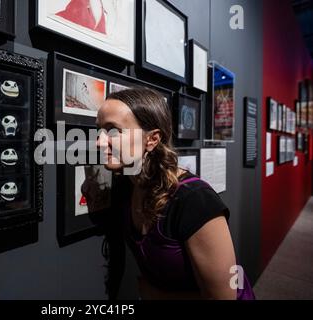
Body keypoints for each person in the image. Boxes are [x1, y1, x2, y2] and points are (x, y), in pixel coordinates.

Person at [94, 88, 255, 300]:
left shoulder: (195, 200)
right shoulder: (126, 188)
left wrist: (157, 296)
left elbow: (224, 297)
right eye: (99, 131)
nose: (99, 141)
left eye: (113, 131)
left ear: (151, 140)